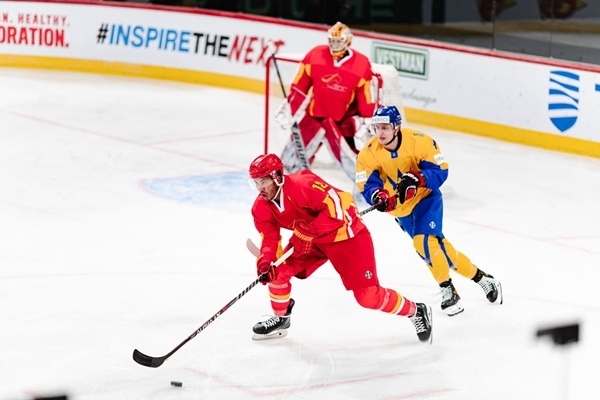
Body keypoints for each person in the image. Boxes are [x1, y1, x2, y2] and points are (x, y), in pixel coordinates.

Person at [248, 153, 433, 343]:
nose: (260, 188)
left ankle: (416, 311)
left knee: (368, 297)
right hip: (313, 241)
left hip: (346, 236)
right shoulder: (260, 207)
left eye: (264, 181)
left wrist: (308, 232)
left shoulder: (303, 184)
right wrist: (266, 260)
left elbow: (336, 211)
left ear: (277, 177)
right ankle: (281, 318)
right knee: (277, 271)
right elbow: (269, 238)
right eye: (256, 182)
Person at [355, 105, 503, 317]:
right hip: (401, 211)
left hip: (426, 199)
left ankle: (448, 290)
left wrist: (419, 178)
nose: (381, 133)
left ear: (397, 127)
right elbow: (367, 184)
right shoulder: (369, 152)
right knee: (440, 251)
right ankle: (483, 279)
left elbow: (440, 170)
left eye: (385, 127)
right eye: (377, 128)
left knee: (422, 243)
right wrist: (378, 196)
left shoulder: (419, 141)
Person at [277, 21, 376, 180]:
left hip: (340, 122)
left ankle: (367, 188)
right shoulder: (316, 54)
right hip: (313, 116)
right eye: (332, 41)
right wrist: (290, 108)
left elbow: (366, 98)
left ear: (348, 41)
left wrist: (367, 122)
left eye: (338, 41)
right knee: (290, 160)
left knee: (354, 164)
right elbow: (300, 84)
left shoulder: (361, 64)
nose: (334, 45)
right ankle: (290, 187)